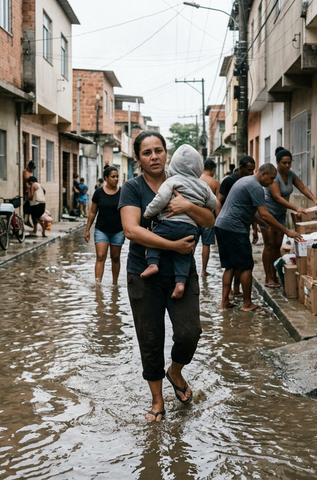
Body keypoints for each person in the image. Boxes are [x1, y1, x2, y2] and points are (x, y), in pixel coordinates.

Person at [119, 130, 214, 422]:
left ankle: (175, 371)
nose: (154, 157)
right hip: (144, 272)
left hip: (182, 273)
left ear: (167, 153)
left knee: (189, 332)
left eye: (158, 150)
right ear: (138, 159)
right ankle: (157, 400)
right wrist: (173, 246)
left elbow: (210, 220)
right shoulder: (132, 188)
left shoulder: (186, 183)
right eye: (147, 153)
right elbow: (131, 230)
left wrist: (188, 207)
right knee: (150, 337)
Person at [214, 163, 303, 312]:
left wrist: (265, 225)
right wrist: (287, 231)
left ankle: (224, 302)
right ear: (263, 174)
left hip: (221, 226)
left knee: (230, 266)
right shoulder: (256, 186)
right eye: (271, 178)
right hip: (235, 228)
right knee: (246, 267)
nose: (272, 182)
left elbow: (251, 212)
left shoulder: (245, 181)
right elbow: (265, 214)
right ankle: (247, 304)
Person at [141, 144, 217, 299]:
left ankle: (153, 264)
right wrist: (198, 203)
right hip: (190, 228)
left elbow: (161, 199)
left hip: (169, 224)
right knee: (183, 254)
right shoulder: (203, 185)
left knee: (152, 237)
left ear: (173, 165)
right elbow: (213, 203)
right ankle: (180, 283)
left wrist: (149, 212)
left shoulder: (172, 181)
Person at [260, 147, 317, 288]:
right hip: (268, 214)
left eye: (289, 162)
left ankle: (276, 276)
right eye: (284, 163)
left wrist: (314, 200)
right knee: (269, 245)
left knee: (277, 246)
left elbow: (302, 188)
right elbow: (277, 197)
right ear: (278, 163)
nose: (287, 165)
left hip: (281, 214)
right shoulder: (274, 176)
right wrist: (296, 208)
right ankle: (268, 277)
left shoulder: (291, 174)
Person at [215, 156, 257, 297]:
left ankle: (236, 289)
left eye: (253, 170)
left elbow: (252, 209)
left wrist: (255, 229)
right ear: (240, 168)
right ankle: (229, 295)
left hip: (242, 225)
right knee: (235, 264)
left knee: (237, 263)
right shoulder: (229, 181)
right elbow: (218, 201)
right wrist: (219, 221)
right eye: (248, 170)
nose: (251, 173)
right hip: (230, 225)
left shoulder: (250, 183)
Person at [84, 166, 124, 285]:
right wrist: (87, 230)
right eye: (113, 177)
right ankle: (98, 285)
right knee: (100, 256)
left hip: (118, 230)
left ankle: (115, 284)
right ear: (106, 178)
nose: (116, 179)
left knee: (115, 257)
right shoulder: (99, 193)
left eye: (117, 176)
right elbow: (92, 212)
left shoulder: (122, 192)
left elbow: (127, 211)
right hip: (101, 230)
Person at [197, 159, 221, 277]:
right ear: (213, 170)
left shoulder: (196, 180)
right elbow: (217, 204)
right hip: (207, 217)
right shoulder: (215, 183)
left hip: (194, 215)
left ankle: (188, 269)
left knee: (190, 243)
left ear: (202, 168)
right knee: (206, 244)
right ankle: (203, 271)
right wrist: (218, 222)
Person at [22, 160, 36, 226]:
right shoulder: (25, 172)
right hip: (26, 191)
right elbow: (27, 182)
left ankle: (27, 220)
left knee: (29, 205)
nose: (32, 170)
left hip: (29, 191)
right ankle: (25, 220)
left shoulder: (30, 173)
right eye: (32, 169)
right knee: (26, 205)